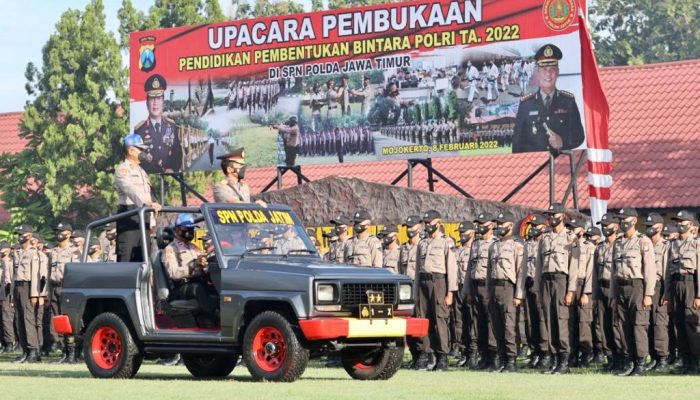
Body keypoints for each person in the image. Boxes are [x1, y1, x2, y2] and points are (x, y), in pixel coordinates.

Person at [512, 44, 585, 153]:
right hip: (534, 166)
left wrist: (563, 141)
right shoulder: (526, 104)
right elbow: (516, 144)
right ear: (537, 73)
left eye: (552, 69)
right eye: (544, 69)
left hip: (560, 165)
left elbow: (579, 136)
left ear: (558, 72)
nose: (548, 74)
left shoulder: (568, 102)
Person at [610, 208, 656, 376]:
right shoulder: (618, 242)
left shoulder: (643, 241)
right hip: (621, 287)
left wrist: (648, 294)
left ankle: (641, 364)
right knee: (623, 327)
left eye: (625, 219)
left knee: (639, 326)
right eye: (620, 219)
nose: (622, 222)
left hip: (637, 287)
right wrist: (614, 295)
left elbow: (650, 269)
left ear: (634, 221)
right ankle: (630, 362)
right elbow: (615, 270)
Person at [535, 203, 579, 374]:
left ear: (561, 216)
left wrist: (571, 290)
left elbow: (574, 266)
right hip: (546, 280)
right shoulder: (545, 238)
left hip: (562, 280)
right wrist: (538, 289)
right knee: (548, 321)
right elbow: (539, 265)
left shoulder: (571, 238)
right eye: (549, 215)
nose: (550, 218)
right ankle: (553, 359)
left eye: (553, 215)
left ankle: (564, 361)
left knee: (561, 321)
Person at [413, 210, 457, 371]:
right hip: (423, 283)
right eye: (425, 222)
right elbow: (417, 268)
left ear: (438, 223)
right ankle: (428, 354)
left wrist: (450, 292)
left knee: (440, 320)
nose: (427, 226)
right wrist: (416, 292)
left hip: (439, 282)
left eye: (430, 222)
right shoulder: (422, 243)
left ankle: (442, 357)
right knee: (424, 320)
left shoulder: (446, 242)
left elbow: (451, 268)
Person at [486, 212, 524, 373]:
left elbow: (521, 271)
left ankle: (511, 361)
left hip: (509, 288)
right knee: (497, 326)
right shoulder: (493, 246)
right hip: (495, 287)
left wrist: (518, 295)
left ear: (510, 225)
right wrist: (488, 292)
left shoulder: (517, 246)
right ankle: (502, 360)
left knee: (509, 326)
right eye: (498, 223)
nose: (499, 226)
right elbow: (489, 271)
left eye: (502, 224)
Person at [115, 133, 162, 263]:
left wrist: (154, 204)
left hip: (144, 217)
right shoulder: (122, 169)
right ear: (130, 150)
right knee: (127, 258)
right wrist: (146, 203)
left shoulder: (142, 171)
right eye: (140, 149)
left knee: (143, 260)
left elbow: (150, 194)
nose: (143, 152)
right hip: (129, 216)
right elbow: (131, 189)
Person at [663, 210, 700, 374]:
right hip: (676, 285)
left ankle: (695, 362)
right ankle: (685, 362)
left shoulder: (697, 244)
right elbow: (668, 272)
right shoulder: (673, 245)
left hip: (691, 285)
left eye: (682, 222)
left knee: (691, 325)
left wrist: (699, 295)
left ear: (691, 225)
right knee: (679, 325)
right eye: (677, 222)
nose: (679, 225)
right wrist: (667, 294)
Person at [162, 214, 217, 318]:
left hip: (199, 281)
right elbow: (173, 273)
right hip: (181, 287)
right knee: (198, 289)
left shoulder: (195, 248)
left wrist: (206, 266)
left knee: (218, 288)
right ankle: (216, 314)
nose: (191, 232)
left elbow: (203, 266)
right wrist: (192, 265)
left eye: (192, 229)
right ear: (178, 230)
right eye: (188, 229)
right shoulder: (171, 249)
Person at [463, 212, 496, 370]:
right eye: (479, 224)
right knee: (479, 323)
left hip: (487, 287)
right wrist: (468, 290)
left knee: (491, 322)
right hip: (475, 287)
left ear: (491, 226)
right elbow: (470, 268)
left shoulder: (494, 244)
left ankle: (493, 357)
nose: (480, 227)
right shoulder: (475, 244)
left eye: (483, 224)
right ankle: (483, 357)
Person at [516, 214, 548, 369]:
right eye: (532, 226)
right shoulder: (527, 245)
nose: (533, 229)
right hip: (528, 284)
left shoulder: (546, 243)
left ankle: (545, 353)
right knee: (530, 321)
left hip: (540, 286)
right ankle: (535, 351)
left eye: (536, 226)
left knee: (542, 320)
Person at [134, 74, 182, 173]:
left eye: (159, 98)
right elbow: (137, 158)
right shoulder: (140, 130)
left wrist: (173, 169)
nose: (155, 103)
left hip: (171, 178)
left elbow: (177, 153)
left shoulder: (172, 126)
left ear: (163, 102)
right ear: (147, 103)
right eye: (152, 99)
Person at [13, 226, 47, 364]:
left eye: (22, 234)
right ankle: (25, 351)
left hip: (28, 287)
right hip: (18, 287)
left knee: (29, 320)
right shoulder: (18, 252)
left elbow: (38, 276)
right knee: (20, 320)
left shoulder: (35, 254)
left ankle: (33, 351)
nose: (20, 236)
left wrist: (36, 294)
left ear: (29, 236)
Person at [48, 222, 80, 364]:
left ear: (68, 233)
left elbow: (77, 273)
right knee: (59, 322)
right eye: (57, 231)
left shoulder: (74, 252)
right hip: (54, 287)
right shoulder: (54, 251)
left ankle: (72, 353)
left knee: (69, 323)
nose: (58, 234)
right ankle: (64, 352)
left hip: (67, 287)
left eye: (61, 231)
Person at [593, 212, 620, 371]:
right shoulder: (600, 247)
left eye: (607, 225)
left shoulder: (620, 244)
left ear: (615, 227)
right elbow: (595, 271)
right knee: (603, 325)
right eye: (602, 226)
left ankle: (621, 358)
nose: (604, 228)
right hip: (602, 287)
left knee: (616, 324)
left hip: (614, 288)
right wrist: (595, 294)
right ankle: (610, 358)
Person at [644, 212, 670, 372]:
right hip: (647, 287)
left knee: (659, 323)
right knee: (647, 323)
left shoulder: (665, 246)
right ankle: (653, 357)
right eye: (646, 226)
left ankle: (663, 358)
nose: (648, 229)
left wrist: (667, 293)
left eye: (651, 226)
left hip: (660, 287)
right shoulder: (646, 245)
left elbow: (667, 272)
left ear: (660, 227)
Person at [455, 220, 477, 368]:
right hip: (457, 288)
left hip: (470, 288)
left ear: (472, 233)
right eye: (461, 233)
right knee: (458, 321)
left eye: (465, 233)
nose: (463, 235)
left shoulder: (476, 249)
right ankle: (463, 351)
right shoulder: (457, 250)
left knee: (472, 321)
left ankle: (474, 352)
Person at [0, 241, 15, 353]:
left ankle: (9, 343)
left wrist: (12, 297)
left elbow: (13, 281)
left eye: (4, 248)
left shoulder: (12, 262)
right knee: (1, 319)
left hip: (8, 291)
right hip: (1, 290)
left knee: (7, 319)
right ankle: (3, 343)